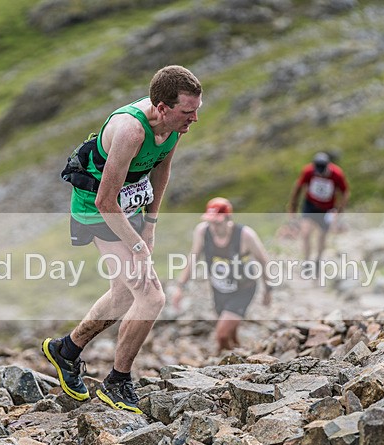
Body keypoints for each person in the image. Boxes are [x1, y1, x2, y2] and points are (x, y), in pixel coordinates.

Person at [42, 65, 202, 414]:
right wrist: (138, 246)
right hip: (96, 207)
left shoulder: (174, 126)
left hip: (125, 203)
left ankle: (66, 350)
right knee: (150, 295)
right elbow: (104, 201)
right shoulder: (131, 131)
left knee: (122, 293)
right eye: (187, 112)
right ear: (162, 107)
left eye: (196, 111)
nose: (193, 120)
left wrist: (151, 224)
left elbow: (162, 169)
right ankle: (118, 381)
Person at [172, 197, 272, 355]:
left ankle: (222, 359)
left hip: (243, 289)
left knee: (221, 334)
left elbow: (264, 262)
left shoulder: (245, 235)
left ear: (228, 219)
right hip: (219, 288)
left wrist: (268, 290)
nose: (213, 227)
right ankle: (240, 354)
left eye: (217, 223)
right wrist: (180, 287)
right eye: (210, 222)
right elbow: (193, 258)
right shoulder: (202, 231)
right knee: (230, 331)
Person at [288, 152, 349, 271]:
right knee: (305, 233)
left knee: (322, 236)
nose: (320, 173)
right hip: (310, 206)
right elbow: (298, 188)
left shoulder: (337, 174)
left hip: (327, 209)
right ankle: (306, 262)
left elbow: (345, 192)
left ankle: (318, 260)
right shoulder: (308, 171)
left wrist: (339, 210)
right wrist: (293, 207)